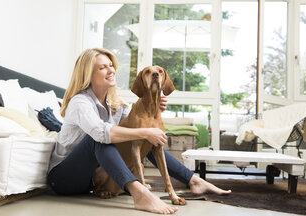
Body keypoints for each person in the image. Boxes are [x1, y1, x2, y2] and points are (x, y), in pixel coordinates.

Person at [47, 47, 231, 215]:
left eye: (111, 65)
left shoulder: (115, 104)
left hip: (94, 180)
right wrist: (145, 132)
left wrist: (152, 107)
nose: (111, 70)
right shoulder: (80, 102)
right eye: (103, 68)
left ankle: (193, 180)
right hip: (64, 178)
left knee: (147, 138)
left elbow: (137, 124)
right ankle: (140, 193)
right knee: (101, 138)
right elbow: (101, 132)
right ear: (88, 75)